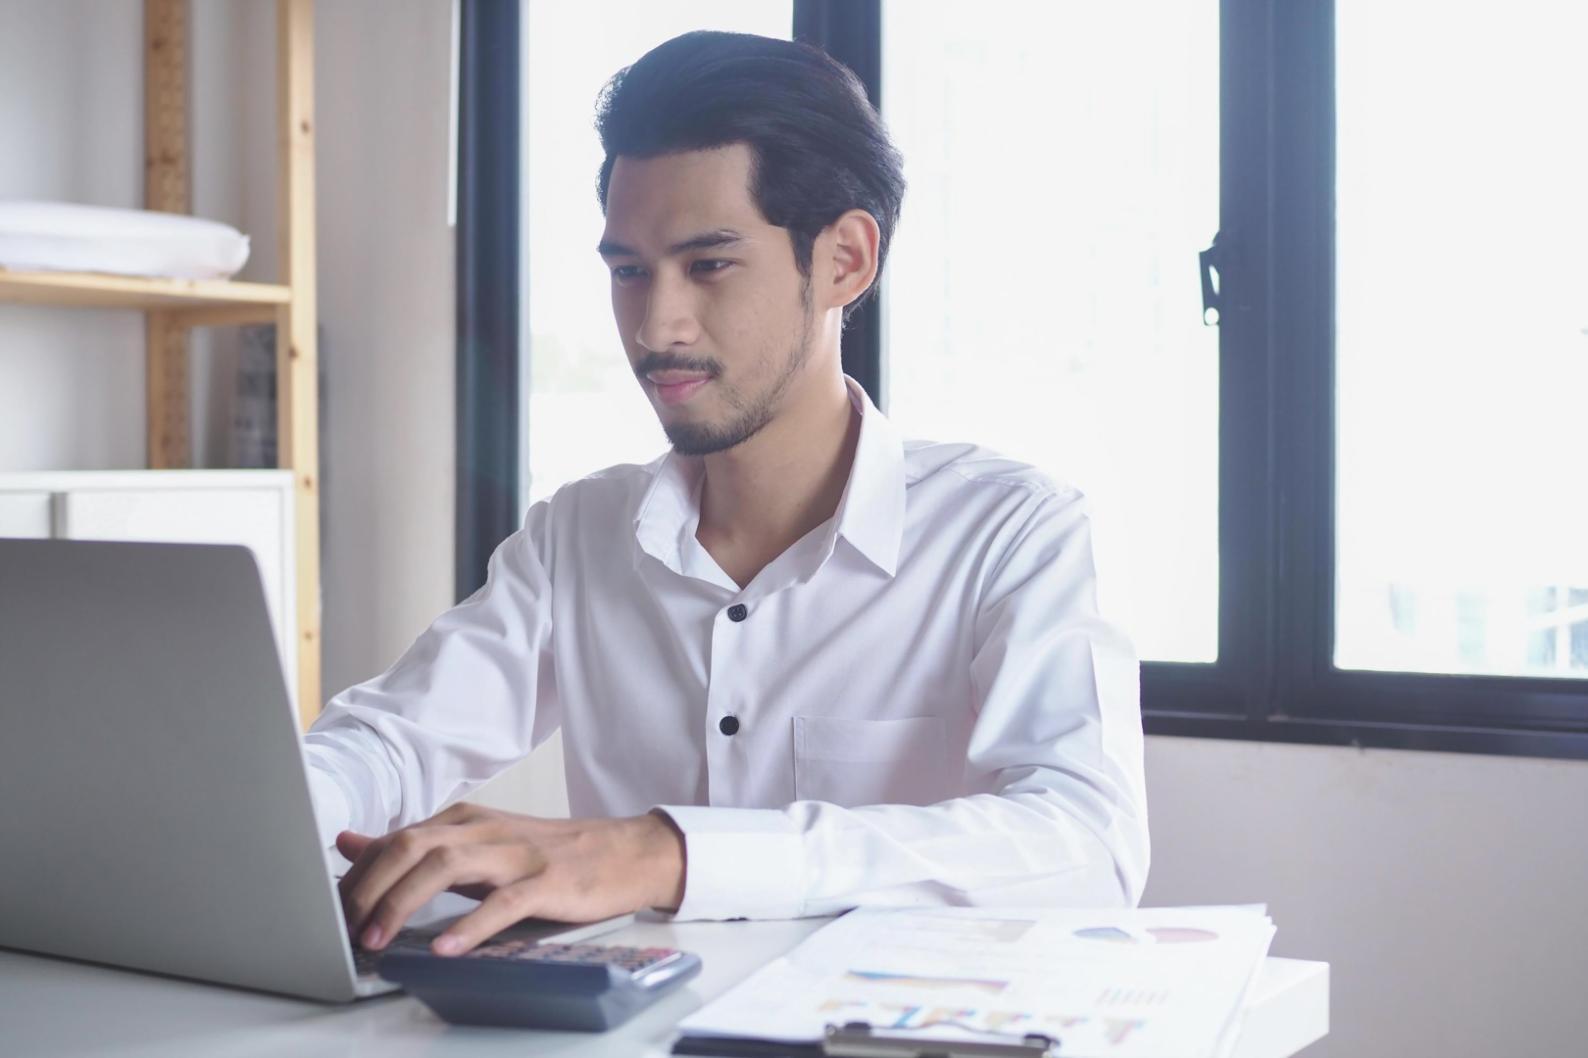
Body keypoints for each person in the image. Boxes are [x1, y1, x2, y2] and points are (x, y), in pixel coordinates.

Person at [304, 29, 1148, 960]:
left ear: (844, 261)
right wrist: (261, 818)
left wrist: (669, 853)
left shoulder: (1008, 530)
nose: (655, 326)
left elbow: (1088, 844)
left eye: (708, 265)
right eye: (629, 271)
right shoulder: (580, 533)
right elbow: (392, 741)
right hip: (634, 1023)